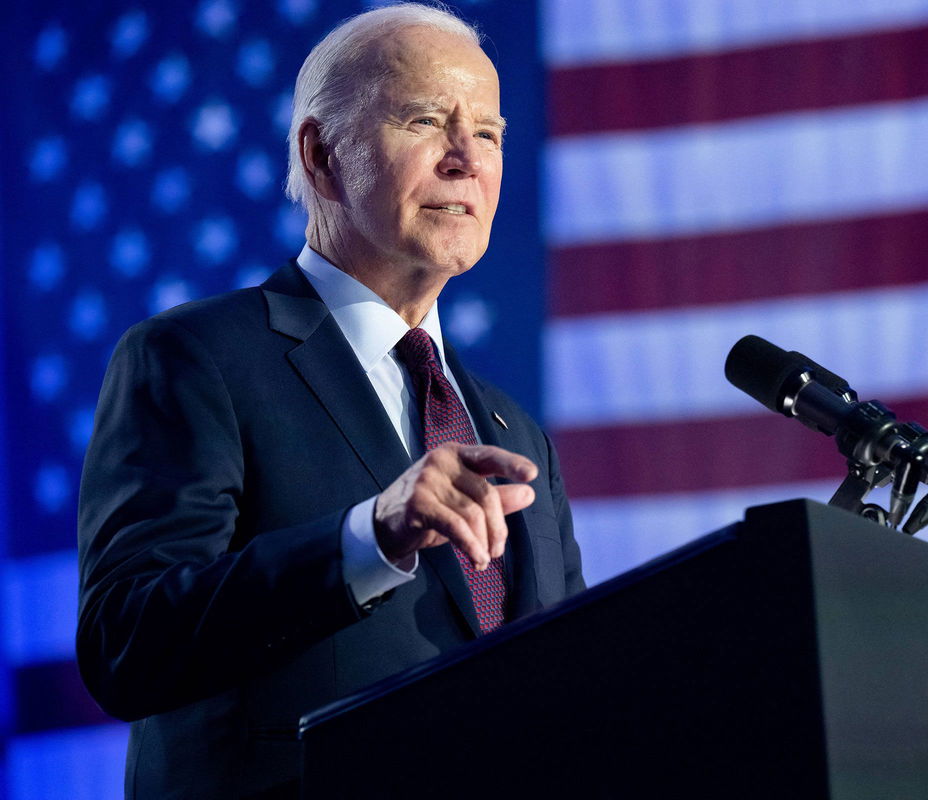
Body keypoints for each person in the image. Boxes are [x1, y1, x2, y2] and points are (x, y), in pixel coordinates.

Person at [76, 4, 584, 796]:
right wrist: (369, 536)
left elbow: (566, 685)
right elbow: (128, 643)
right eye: (426, 119)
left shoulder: (515, 431)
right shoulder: (197, 358)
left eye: (488, 133)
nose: (466, 159)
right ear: (321, 156)